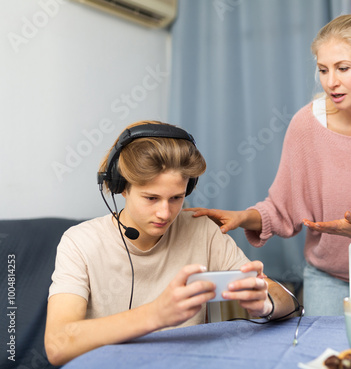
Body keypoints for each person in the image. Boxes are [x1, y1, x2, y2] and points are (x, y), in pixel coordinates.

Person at [186, 14, 351, 316]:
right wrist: (243, 217)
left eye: (343, 68)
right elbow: (284, 208)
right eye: (323, 69)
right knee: (325, 360)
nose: (331, 81)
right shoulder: (306, 124)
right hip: (328, 276)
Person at [44, 121, 297, 366]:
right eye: (151, 198)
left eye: (176, 198)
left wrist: (265, 303)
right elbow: (57, 346)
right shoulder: (79, 242)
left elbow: (286, 302)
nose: (165, 213)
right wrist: (156, 314)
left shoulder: (202, 230)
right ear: (121, 187)